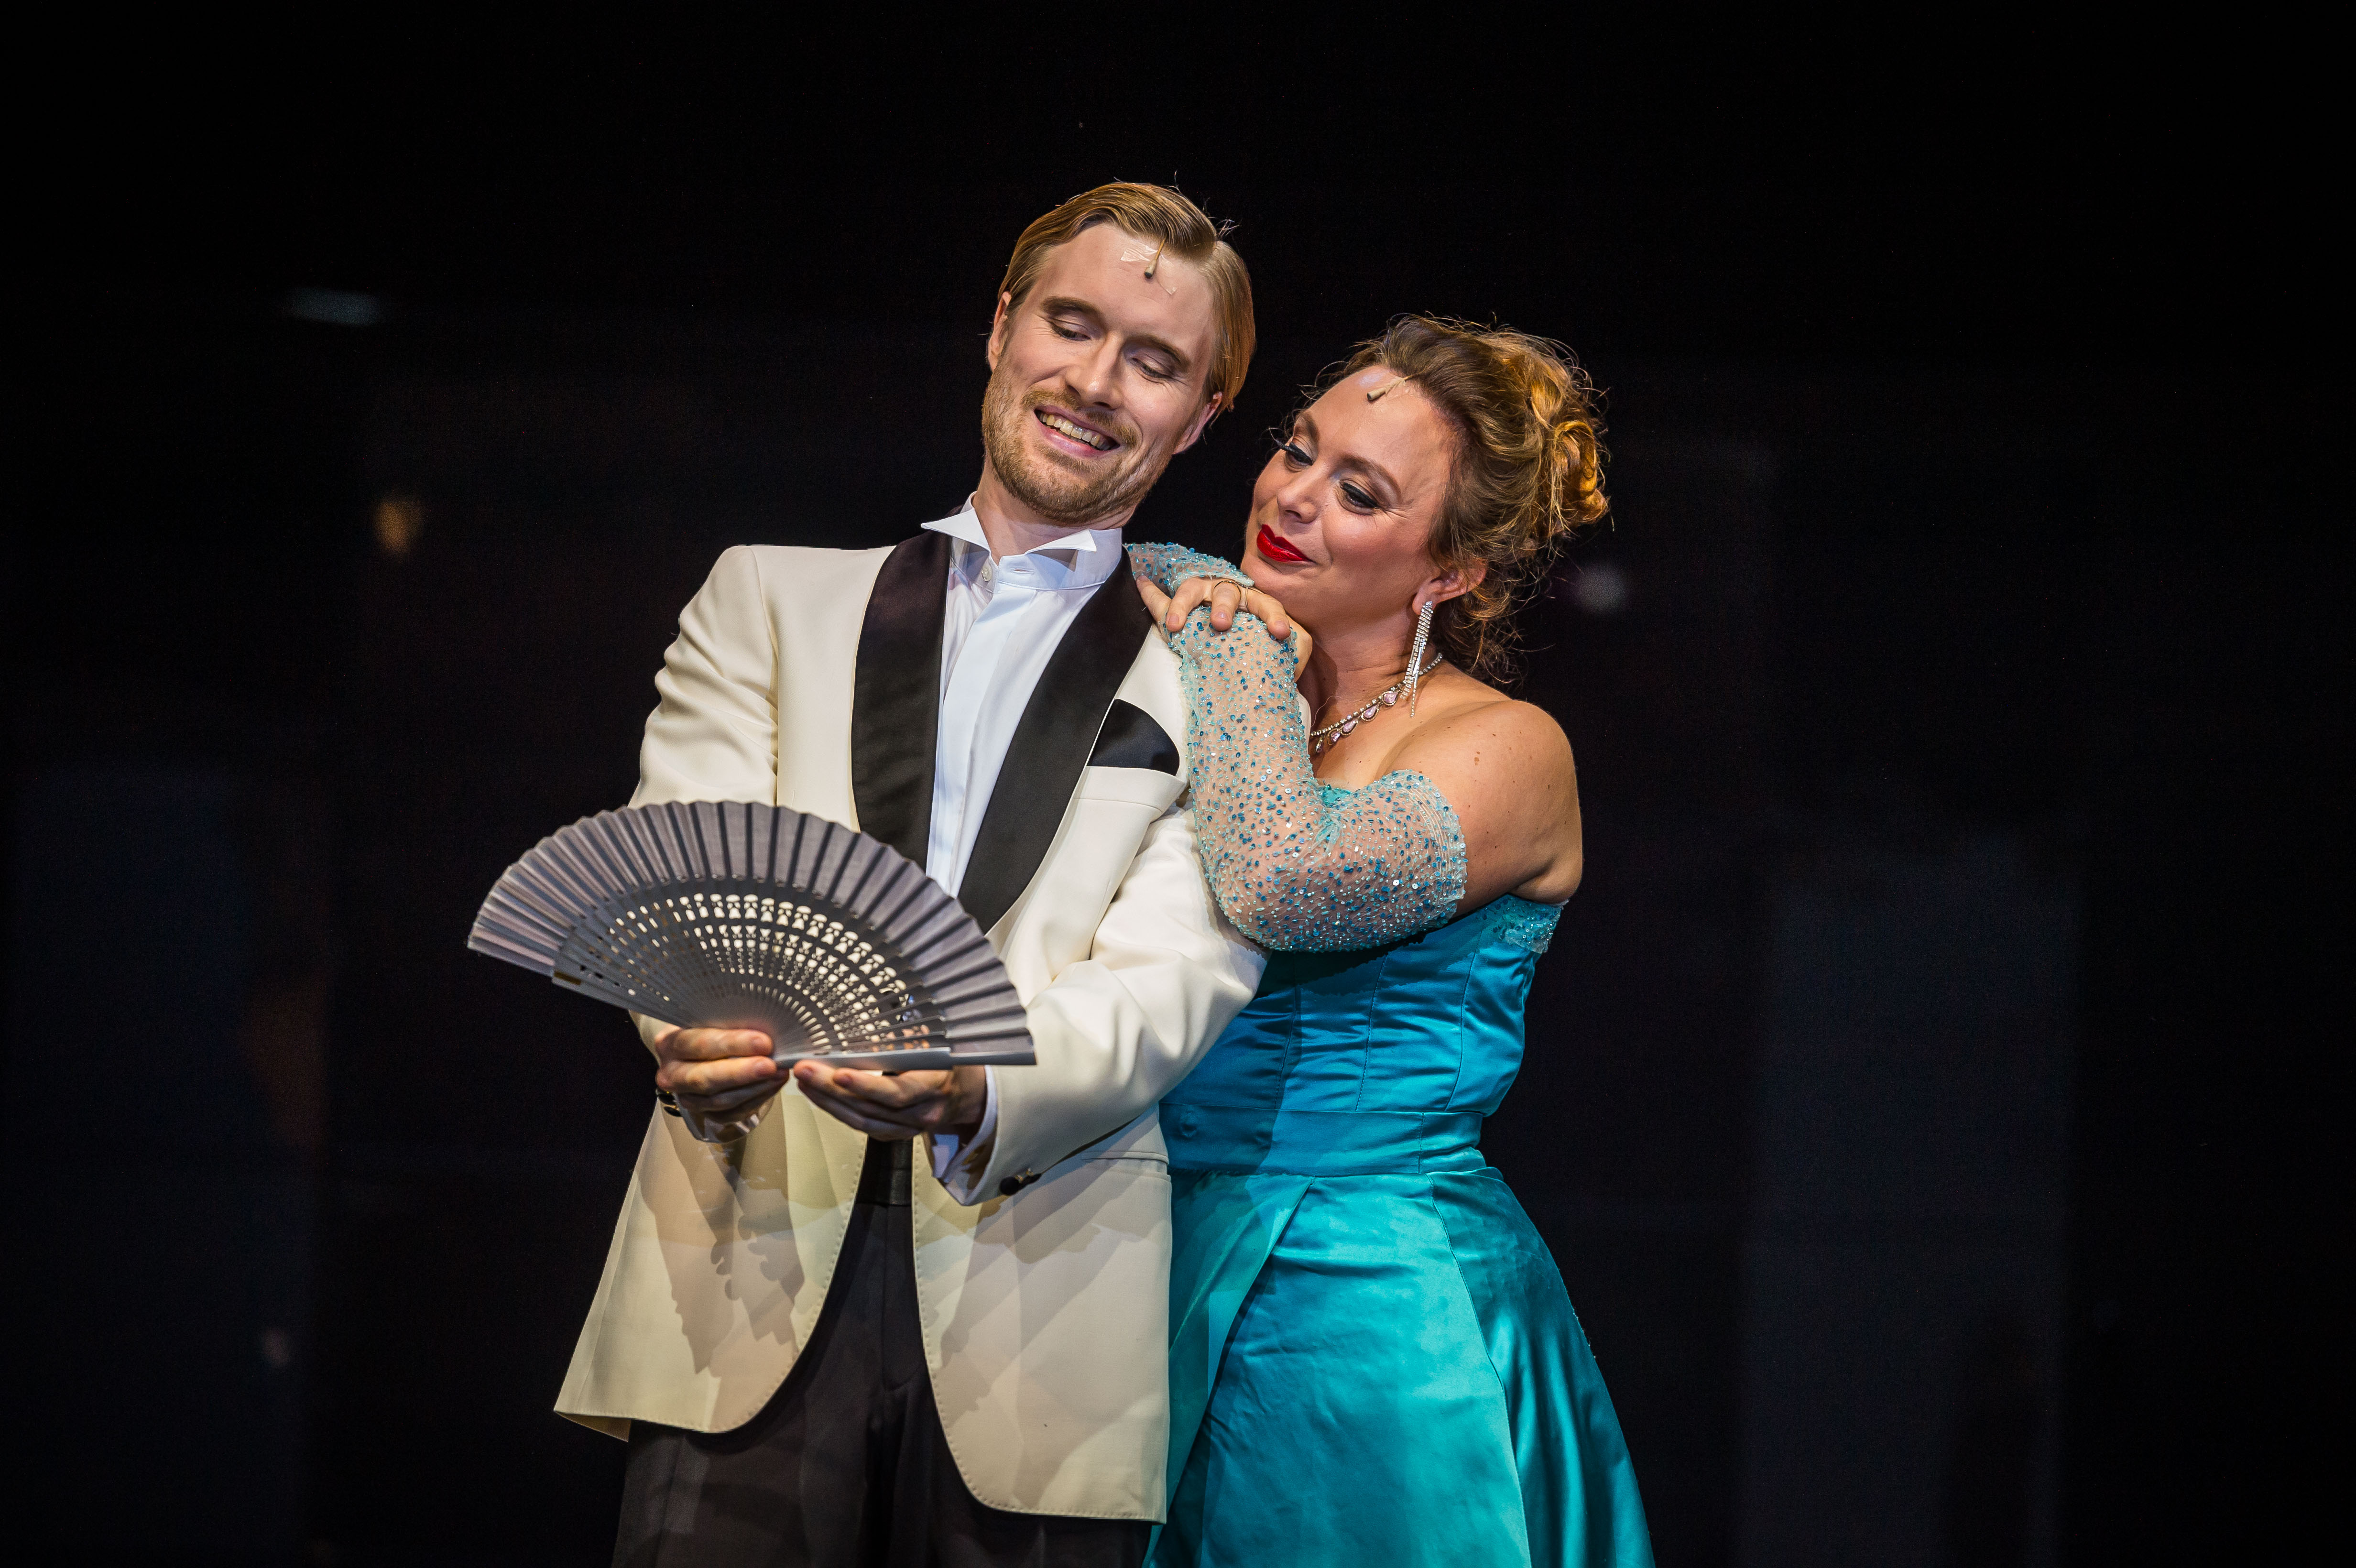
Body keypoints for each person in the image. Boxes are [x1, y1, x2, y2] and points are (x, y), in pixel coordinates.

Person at [564, 183, 1269, 1568]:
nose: (1096, 382)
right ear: (1002, 328)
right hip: (745, 1239)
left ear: (1201, 416)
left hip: (1047, 1278)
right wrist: (693, 1026)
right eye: (1072, 325)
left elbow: (1180, 972)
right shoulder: (770, 597)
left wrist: (983, 1086)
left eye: (1154, 360)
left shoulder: (1220, 678)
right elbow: (688, 869)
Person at [1128, 316, 1656, 1566]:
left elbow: (1286, 885)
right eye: (1299, 449)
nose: (1294, 499)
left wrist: (1233, 642)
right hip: (1135, 1258)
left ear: (1451, 573)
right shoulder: (1201, 660)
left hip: (1373, 1304)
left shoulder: (1507, 746)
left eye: (1360, 493)